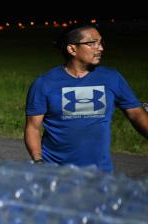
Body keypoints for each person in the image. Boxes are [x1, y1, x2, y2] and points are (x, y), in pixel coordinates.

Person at [24, 23, 148, 173]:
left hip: (100, 173)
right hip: (55, 172)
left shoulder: (112, 78)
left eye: (101, 42)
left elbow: (136, 113)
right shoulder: (44, 83)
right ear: (72, 49)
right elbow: (33, 127)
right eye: (92, 43)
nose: (100, 48)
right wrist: (38, 160)